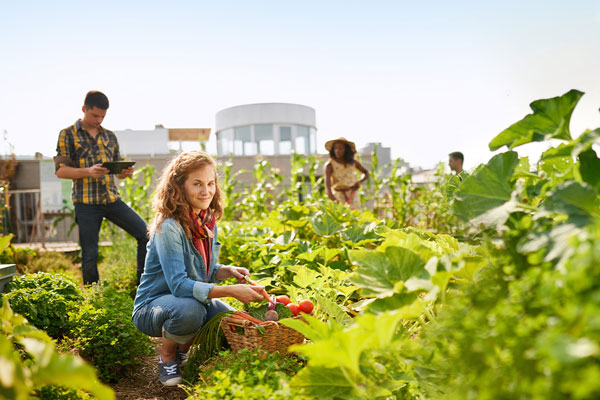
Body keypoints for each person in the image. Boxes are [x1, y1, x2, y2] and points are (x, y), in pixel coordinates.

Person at [131, 151, 265, 386]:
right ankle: (168, 354)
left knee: (232, 323)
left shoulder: (205, 222)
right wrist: (232, 291)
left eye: (210, 183)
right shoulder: (169, 226)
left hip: (188, 300)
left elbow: (204, 271)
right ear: (179, 186)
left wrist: (228, 271)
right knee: (191, 310)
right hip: (153, 306)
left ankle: (185, 346)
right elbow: (180, 285)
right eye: (197, 184)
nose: (206, 191)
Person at [54, 90, 148, 285]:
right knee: (90, 253)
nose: (99, 120)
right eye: (95, 115)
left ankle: (143, 286)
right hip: (86, 203)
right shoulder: (68, 134)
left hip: (112, 200)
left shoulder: (110, 136)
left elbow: (117, 170)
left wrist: (124, 172)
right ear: (84, 109)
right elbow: (61, 172)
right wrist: (87, 171)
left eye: (103, 116)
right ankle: (92, 294)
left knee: (146, 234)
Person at [324, 137, 369, 209]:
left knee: (356, 216)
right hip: (338, 195)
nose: (337, 151)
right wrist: (333, 198)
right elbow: (327, 186)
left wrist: (359, 182)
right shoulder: (330, 165)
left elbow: (366, 173)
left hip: (352, 194)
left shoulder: (353, 162)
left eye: (341, 148)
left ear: (346, 150)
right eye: (335, 148)